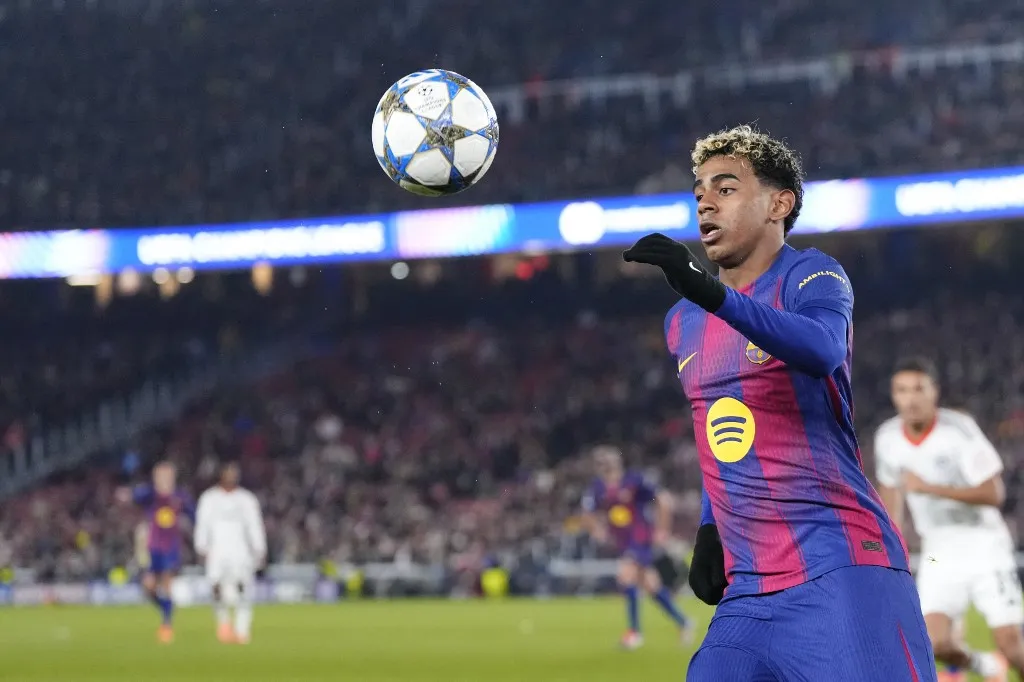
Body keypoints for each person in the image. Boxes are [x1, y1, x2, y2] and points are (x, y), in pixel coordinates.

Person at [623, 124, 937, 681]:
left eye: (725, 188)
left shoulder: (811, 274)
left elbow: (821, 348)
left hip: (839, 569)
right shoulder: (682, 321)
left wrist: (714, 295)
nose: (705, 202)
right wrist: (708, 523)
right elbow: (719, 423)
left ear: (779, 203)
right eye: (699, 190)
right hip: (747, 595)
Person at [876, 357, 1023, 682]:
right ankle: (986, 667)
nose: (910, 398)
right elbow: (892, 502)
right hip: (938, 549)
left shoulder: (958, 430)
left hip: (984, 543)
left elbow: (993, 493)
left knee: (1012, 645)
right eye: (901, 390)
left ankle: (1002, 660)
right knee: (932, 642)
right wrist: (892, 551)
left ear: (934, 393)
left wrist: (929, 488)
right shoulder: (887, 439)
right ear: (893, 395)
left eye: (918, 389)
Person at [581, 446, 692, 649]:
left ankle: (634, 633)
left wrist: (662, 529)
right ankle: (683, 622)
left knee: (625, 576)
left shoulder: (634, 481)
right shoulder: (598, 487)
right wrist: (597, 529)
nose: (603, 467)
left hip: (639, 538)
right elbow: (587, 513)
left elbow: (663, 500)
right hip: (623, 542)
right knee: (651, 586)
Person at [116, 461, 194, 643]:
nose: (164, 479)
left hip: (171, 546)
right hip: (153, 547)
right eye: (160, 476)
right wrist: (128, 494)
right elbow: (136, 496)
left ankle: (167, 625)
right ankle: (167, 607)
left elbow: (193, 512)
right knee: (149, 587)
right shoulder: (151, 495)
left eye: (167, 475)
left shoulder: (179, 496)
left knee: (166, 583)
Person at [194, 461, 266, 644]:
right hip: (217, 549)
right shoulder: (209, 498)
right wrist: (201, 546)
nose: (231, 476)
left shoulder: (246, 499)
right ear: (221, 475)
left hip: (240, 550)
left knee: (243, 588)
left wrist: (259, 549)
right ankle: (224, 624)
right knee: (216, 588)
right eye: (228, 473)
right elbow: (202, 524)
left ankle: (242, 629)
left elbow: (254, 525)